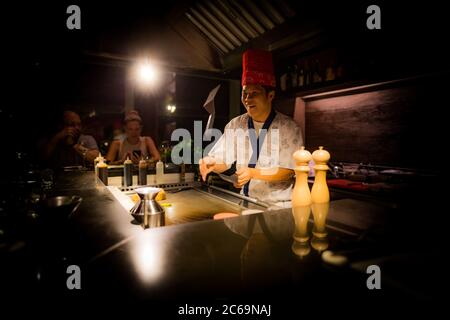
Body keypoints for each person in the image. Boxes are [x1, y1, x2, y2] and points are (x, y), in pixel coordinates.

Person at [199, 49, 303, 207]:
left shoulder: (288, 127)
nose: (247, 99)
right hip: (246, 202)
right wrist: (212, 162)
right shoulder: (236, 125)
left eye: (254, 93)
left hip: (278, 207)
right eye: (244, 93)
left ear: (270, 95)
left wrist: (253, 173)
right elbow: (224, 160)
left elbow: (289, 170)